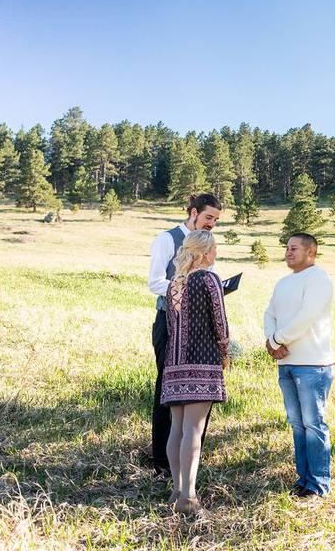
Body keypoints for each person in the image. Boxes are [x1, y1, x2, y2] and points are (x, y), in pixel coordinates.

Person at [146, 194, 222, 475]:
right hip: (170, 324)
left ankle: (190, 459)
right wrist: (186, 288)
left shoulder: (208, 245)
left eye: (215, 220)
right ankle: (162, 461)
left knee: (199, 394)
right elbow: (155, 282)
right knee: (168, 392)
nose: (212, 224)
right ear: (193, 213)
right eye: (208, 218)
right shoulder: (167, 240)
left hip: (201, 328)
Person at [161, 229, 230, 514]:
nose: (215, 254)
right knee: (194, 430)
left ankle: (177, 489)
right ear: (203, 252)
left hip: (174, 363)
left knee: (177, 429)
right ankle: (188, 498)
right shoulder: (209, 279)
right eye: (213, 249)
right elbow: (220, 322)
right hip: (201, 361)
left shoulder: (174, 283)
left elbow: (170, 328)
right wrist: (225, 352)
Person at [264, 233, 335, 498]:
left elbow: (308, 316)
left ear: (311, 252)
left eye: (294, 248)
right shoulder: (283, 282)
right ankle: (303, 479)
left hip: (313, 364)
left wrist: (277, 339)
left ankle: (318, 484)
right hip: (287, 363)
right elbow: (269, 313)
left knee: (314, 423)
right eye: (286, 247)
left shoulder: (319, 279)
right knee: (296, 423)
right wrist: (271, 341)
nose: (288, 252)